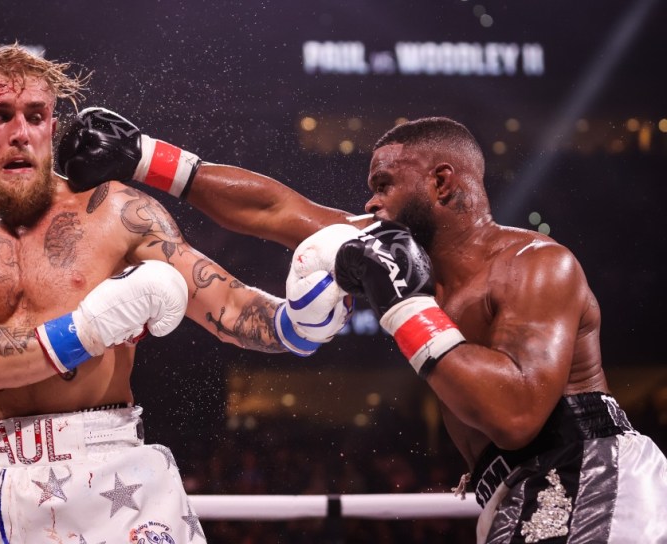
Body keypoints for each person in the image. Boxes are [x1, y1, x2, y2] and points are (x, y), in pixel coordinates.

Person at [63, 109, 667, 542]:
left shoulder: (535, 265)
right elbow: (275, 210)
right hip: (508, 490)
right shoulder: (394, 249)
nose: (371, 205)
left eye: (384, 186)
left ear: (441, 183)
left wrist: (403, 305)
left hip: (585, 467)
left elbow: (515, 417)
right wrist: (145, 156)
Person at [0, 43, 352, 543]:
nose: (20, 133)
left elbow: (230, 306)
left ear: (52, 126)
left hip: (108, 473)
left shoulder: (115, 212)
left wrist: (296, 325)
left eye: (36, 116)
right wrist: (91, 328)